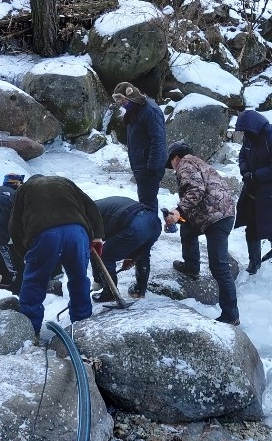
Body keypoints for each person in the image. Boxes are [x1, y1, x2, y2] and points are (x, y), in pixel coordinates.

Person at [9, 175, 104, 333]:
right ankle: (82, 326)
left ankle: (31, 331)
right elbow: (91, 207)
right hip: (77, 232)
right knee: (79, 279)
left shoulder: (24, 190)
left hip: (44, 235)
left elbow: (14, 226)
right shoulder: (64, 182)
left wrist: (25, 254)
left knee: (35, 282)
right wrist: (97, 236)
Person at [164, 141, 241, 326]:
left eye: (171, 162)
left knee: (219, 266)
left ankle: (231, 315)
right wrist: (179, 218)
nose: (172, 167)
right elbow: (200, 194)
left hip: (217, 218)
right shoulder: (200, 164)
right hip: (218, 213)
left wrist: (177, 211)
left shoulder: (186, 163)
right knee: (187, 229)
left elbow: (196, 190)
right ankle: (192, 266)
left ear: (175, 157)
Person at [233, 109, 272, 274]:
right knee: (252, 227)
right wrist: (246, 172)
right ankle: (254, 262)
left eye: (246, 131)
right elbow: (242, 156)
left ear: (256, 127)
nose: (245, 135)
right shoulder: (250, 138)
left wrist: (255, 176)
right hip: (253, 188)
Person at [91, 196, 162, 302]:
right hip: (154, 221)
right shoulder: (97, 206)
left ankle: (109, 293)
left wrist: (98, 279)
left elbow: (94, 250)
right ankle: (139, 290)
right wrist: (130, 257)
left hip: (135, 225)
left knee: (105, 255)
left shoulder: (86, 216)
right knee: (143, 254)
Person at [112, 82, 167, 214]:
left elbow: (158, 140)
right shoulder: (136, 109)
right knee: (147, 201)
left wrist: (152, 167)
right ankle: (150, 230)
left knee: (147, 203)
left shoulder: (149, 110)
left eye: (122, 100)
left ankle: (150, 231)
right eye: (118, 101)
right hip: (142, 165)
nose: (121, 104)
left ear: (131, 96)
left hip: (149, 167)